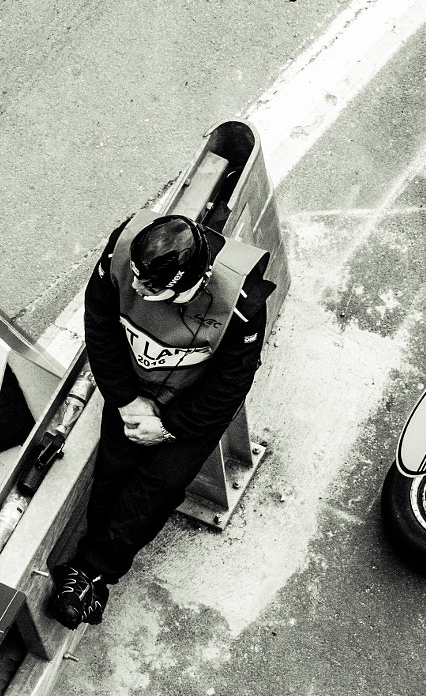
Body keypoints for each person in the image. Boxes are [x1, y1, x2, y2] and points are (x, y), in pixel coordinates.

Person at [48, 209, 272, 627]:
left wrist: (170, 426)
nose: (133, 286)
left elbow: (231, 383)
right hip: (134, 387)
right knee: (114, 467)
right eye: (135, 275)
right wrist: (127, 400)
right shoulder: (122, 248)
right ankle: (90, 569)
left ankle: (93, 572)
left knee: (159, 485)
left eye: (148, 286)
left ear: (191, 284)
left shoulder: (242, 303)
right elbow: (99, 324)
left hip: (194, 404)